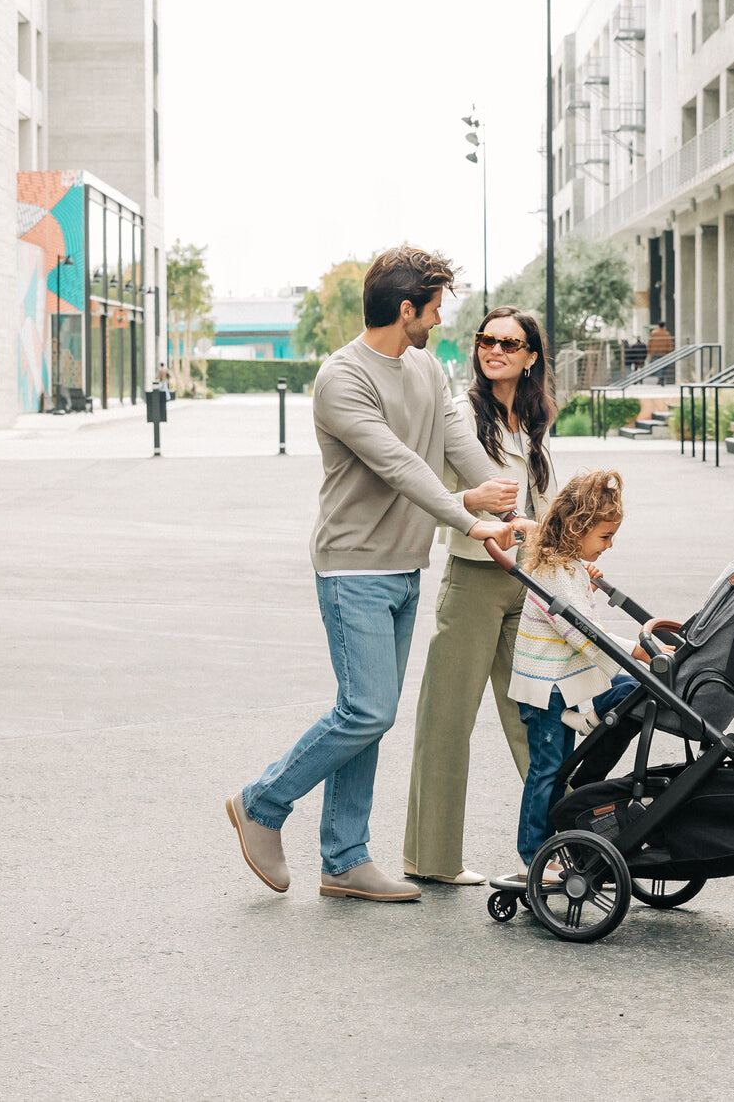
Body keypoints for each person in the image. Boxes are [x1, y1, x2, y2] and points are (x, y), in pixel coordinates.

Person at [226, 246, 520, 904]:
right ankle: (261, 803)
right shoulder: (342, 378)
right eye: (436, 305)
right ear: (406, 308)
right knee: (367, 708)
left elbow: (456, 446)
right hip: (352, 566)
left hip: (403, 566)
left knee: (368, 714)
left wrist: (509, 506)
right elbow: (400, 465)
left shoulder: (423, 369)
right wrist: (469, 522)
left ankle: (345, 858)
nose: (442, 318)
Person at [403, 305, 556, 886]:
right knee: (447, 719)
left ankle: (559, 847)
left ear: (531, 356)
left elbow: (543, 499)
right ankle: (431, 858)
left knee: (536, 719)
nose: (494, 350)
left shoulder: (536, 417)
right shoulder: (462, 412)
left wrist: (570, 554)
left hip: (528, 582)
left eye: (509, 344)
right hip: (472, 578)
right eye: (486, 340)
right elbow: (445, 484)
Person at [501, 469, 643, 881]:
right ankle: (535, 854)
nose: (610, 545)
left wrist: (585, 572)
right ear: (578, 529)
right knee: (548, 769)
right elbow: (583, 632)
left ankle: (591, 719)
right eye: (604, 537)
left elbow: (578, 601)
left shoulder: (567, 567)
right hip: (548, 692)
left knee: (630, 692)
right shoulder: (550, 576)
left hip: (569, 681)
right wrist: (637, 651)